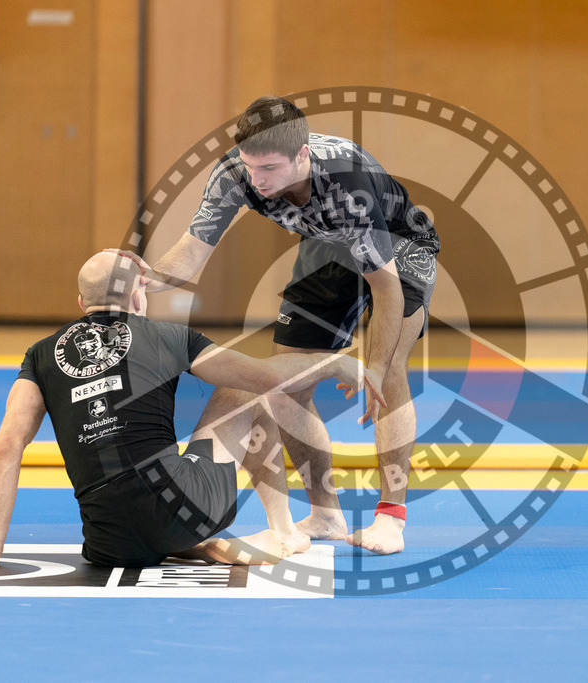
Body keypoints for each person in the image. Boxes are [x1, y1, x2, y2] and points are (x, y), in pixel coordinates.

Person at [0, 251, 384, 569]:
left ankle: (185, 542)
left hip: (109, 542)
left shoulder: (41, 355)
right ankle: (282, 530)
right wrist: (336, 362)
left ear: (82, 305)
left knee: (147, 479)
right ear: (139, 295)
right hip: (184, 507)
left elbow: (7, 447)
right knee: (244, 390)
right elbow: (266, 378)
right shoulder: (169, 337)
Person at [136, 95, 440, 555]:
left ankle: (390, 519)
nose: (258, 182)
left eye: (270, 170)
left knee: (390, 370)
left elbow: (386, 289)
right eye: (251, 168)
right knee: (287, 380)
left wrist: (373, 368)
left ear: (303, 155)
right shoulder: (236, 175)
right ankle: (325, 514)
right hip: (327, 247)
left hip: (400, 249)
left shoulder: (346, 184)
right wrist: (145, 279)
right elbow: (192, 253)